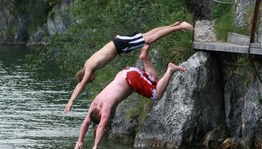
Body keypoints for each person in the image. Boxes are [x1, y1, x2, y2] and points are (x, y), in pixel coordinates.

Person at [73, 45, 186, 149]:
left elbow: (101, 126)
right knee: (156, 81)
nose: (104, 117)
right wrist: (79, 140)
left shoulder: (106, 107)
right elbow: (87, 121)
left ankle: (170, 70)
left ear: (100, 113)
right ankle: (144, 58)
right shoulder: (95, 103)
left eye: (103, 116)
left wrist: (95, 145)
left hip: (131, 79)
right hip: (126, 72)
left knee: (157, 94)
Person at [64, 21, 193, 112]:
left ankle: (180, 26)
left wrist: (71, 101)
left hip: (120, 45)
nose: (92, 78)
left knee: (149, 39)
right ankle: (172, 26)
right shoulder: (87, 63)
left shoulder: (89, 68)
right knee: (147, 35)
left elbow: (80, 85)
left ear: (86, 76)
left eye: (90, 79)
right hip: (118, 42)